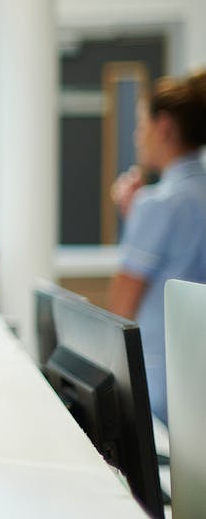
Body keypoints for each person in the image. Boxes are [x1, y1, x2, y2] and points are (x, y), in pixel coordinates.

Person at [109, 70, 206, 425]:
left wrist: (137, 219)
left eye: (140, 124)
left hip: (160, 383)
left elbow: (121, 308)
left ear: (163, 127)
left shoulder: (158, 204)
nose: (137, 136)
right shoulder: (184, 197)